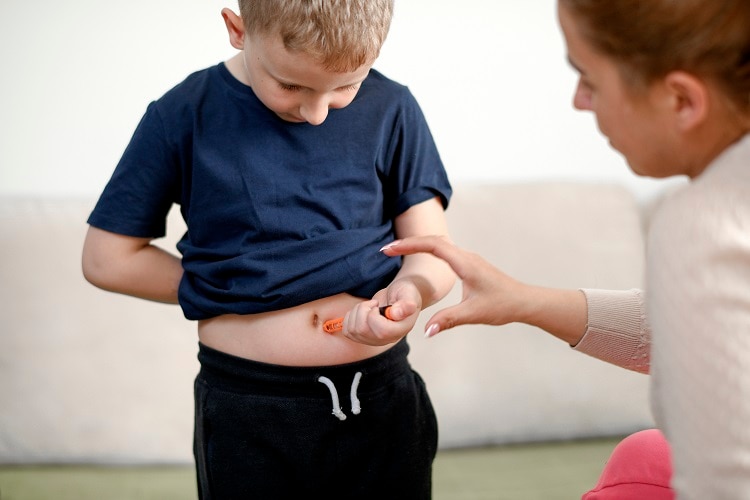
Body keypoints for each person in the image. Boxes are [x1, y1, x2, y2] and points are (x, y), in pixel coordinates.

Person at [81, 1, 455, 498]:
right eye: (291, 85)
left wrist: (409, 292)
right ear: (238, 30)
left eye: (346, 86)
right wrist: (231, 287)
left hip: (382, 397)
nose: (318, 113)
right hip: (248, 409)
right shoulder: (181, 114)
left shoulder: (394, 107)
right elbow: (107, 259)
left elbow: (432, 249)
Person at [382, 0, 750, 498]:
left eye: (590, 79)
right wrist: (521, 300)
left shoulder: (707, 222)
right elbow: (701, 330)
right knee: (643, 456)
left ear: (682, 100)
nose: (579, 100)